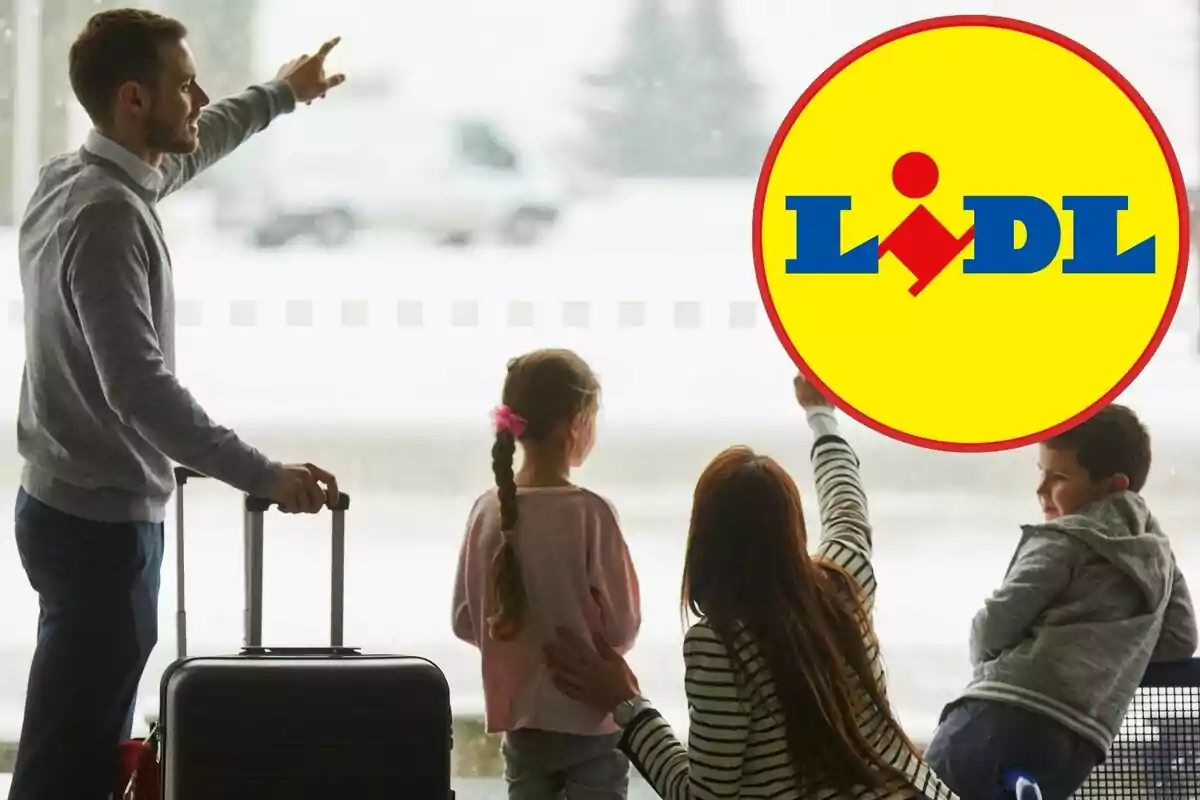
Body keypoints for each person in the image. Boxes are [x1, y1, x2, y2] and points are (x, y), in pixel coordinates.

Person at [9, 9, 347, 800]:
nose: (200, 95)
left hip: (66, 509)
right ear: (134, 100)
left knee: (72, 736)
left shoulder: (77, 178)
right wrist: (260, 474)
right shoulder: (107, 215)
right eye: (184, 83)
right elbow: (140, 390)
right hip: (101, 530)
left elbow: (197, 145)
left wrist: (281, 94)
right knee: (71, 761)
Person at [543, 373, 958, 800]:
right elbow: (846, 505)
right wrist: (821, 414)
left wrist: (628, 705)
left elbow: (704, 796)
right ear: (792, 526)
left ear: (704, 540)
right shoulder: (844, 584)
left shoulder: (719, 644)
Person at [923, 404, 1198, 800]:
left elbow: (995, 625)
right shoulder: (1157, 554)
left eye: (1059, 477)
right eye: (1042, 473)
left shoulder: (1065, 538)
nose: (1041, 490)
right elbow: (1179, 640)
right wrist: (1105, 658)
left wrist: (986, 661)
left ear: (1114, 485)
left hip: (1002, 715)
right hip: (1077, 743)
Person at [452, 348, 642, 799]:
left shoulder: (486, 510)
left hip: (522, 729)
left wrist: (514, 645)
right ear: (574, 423)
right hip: (590, 723)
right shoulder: (591, 514)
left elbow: (463, 619)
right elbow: (622, 626)